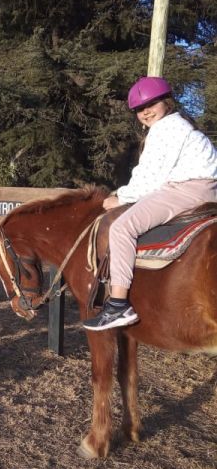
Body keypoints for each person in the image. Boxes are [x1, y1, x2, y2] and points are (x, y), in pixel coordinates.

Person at [83, 76, 217, 332]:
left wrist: (121, 197)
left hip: (187, 189)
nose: (145, 112)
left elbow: (150, 177)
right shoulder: (181, 126)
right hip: (205, 189)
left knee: (122, 228)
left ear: (166, 101)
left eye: (150, 104)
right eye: (139, 110)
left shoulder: (166, 129)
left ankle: (118, 305)